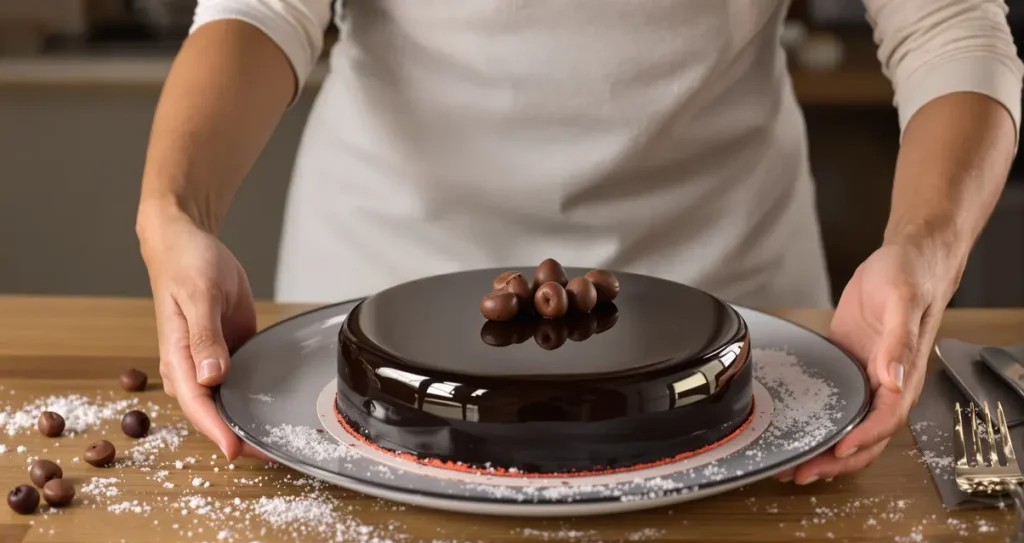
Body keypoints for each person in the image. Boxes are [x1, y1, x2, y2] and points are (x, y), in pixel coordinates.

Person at [136, 0, 1023, 484]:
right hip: (374, 288)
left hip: (741, 310)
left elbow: (947, 24)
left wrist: (925, 245)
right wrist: (177, 208)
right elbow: (260, 9)